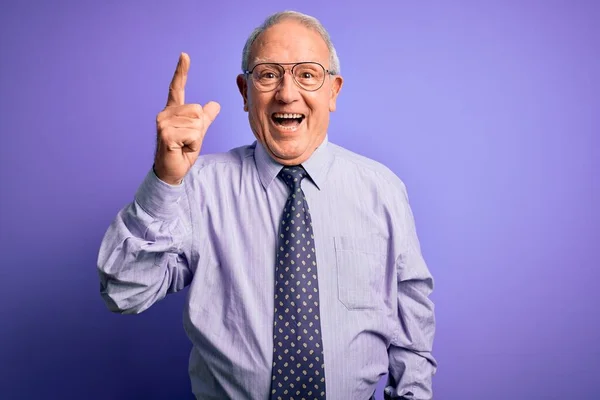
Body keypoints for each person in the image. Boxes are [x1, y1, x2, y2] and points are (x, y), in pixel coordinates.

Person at [97, 10, 436, 400]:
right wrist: (165, 179)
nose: (287, 93)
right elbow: (124, 292)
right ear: (245, 92)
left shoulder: (382, 190)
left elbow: (412, 330)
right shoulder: (197, 188)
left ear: (333, 91)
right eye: (269, 74)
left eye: (307, 74)